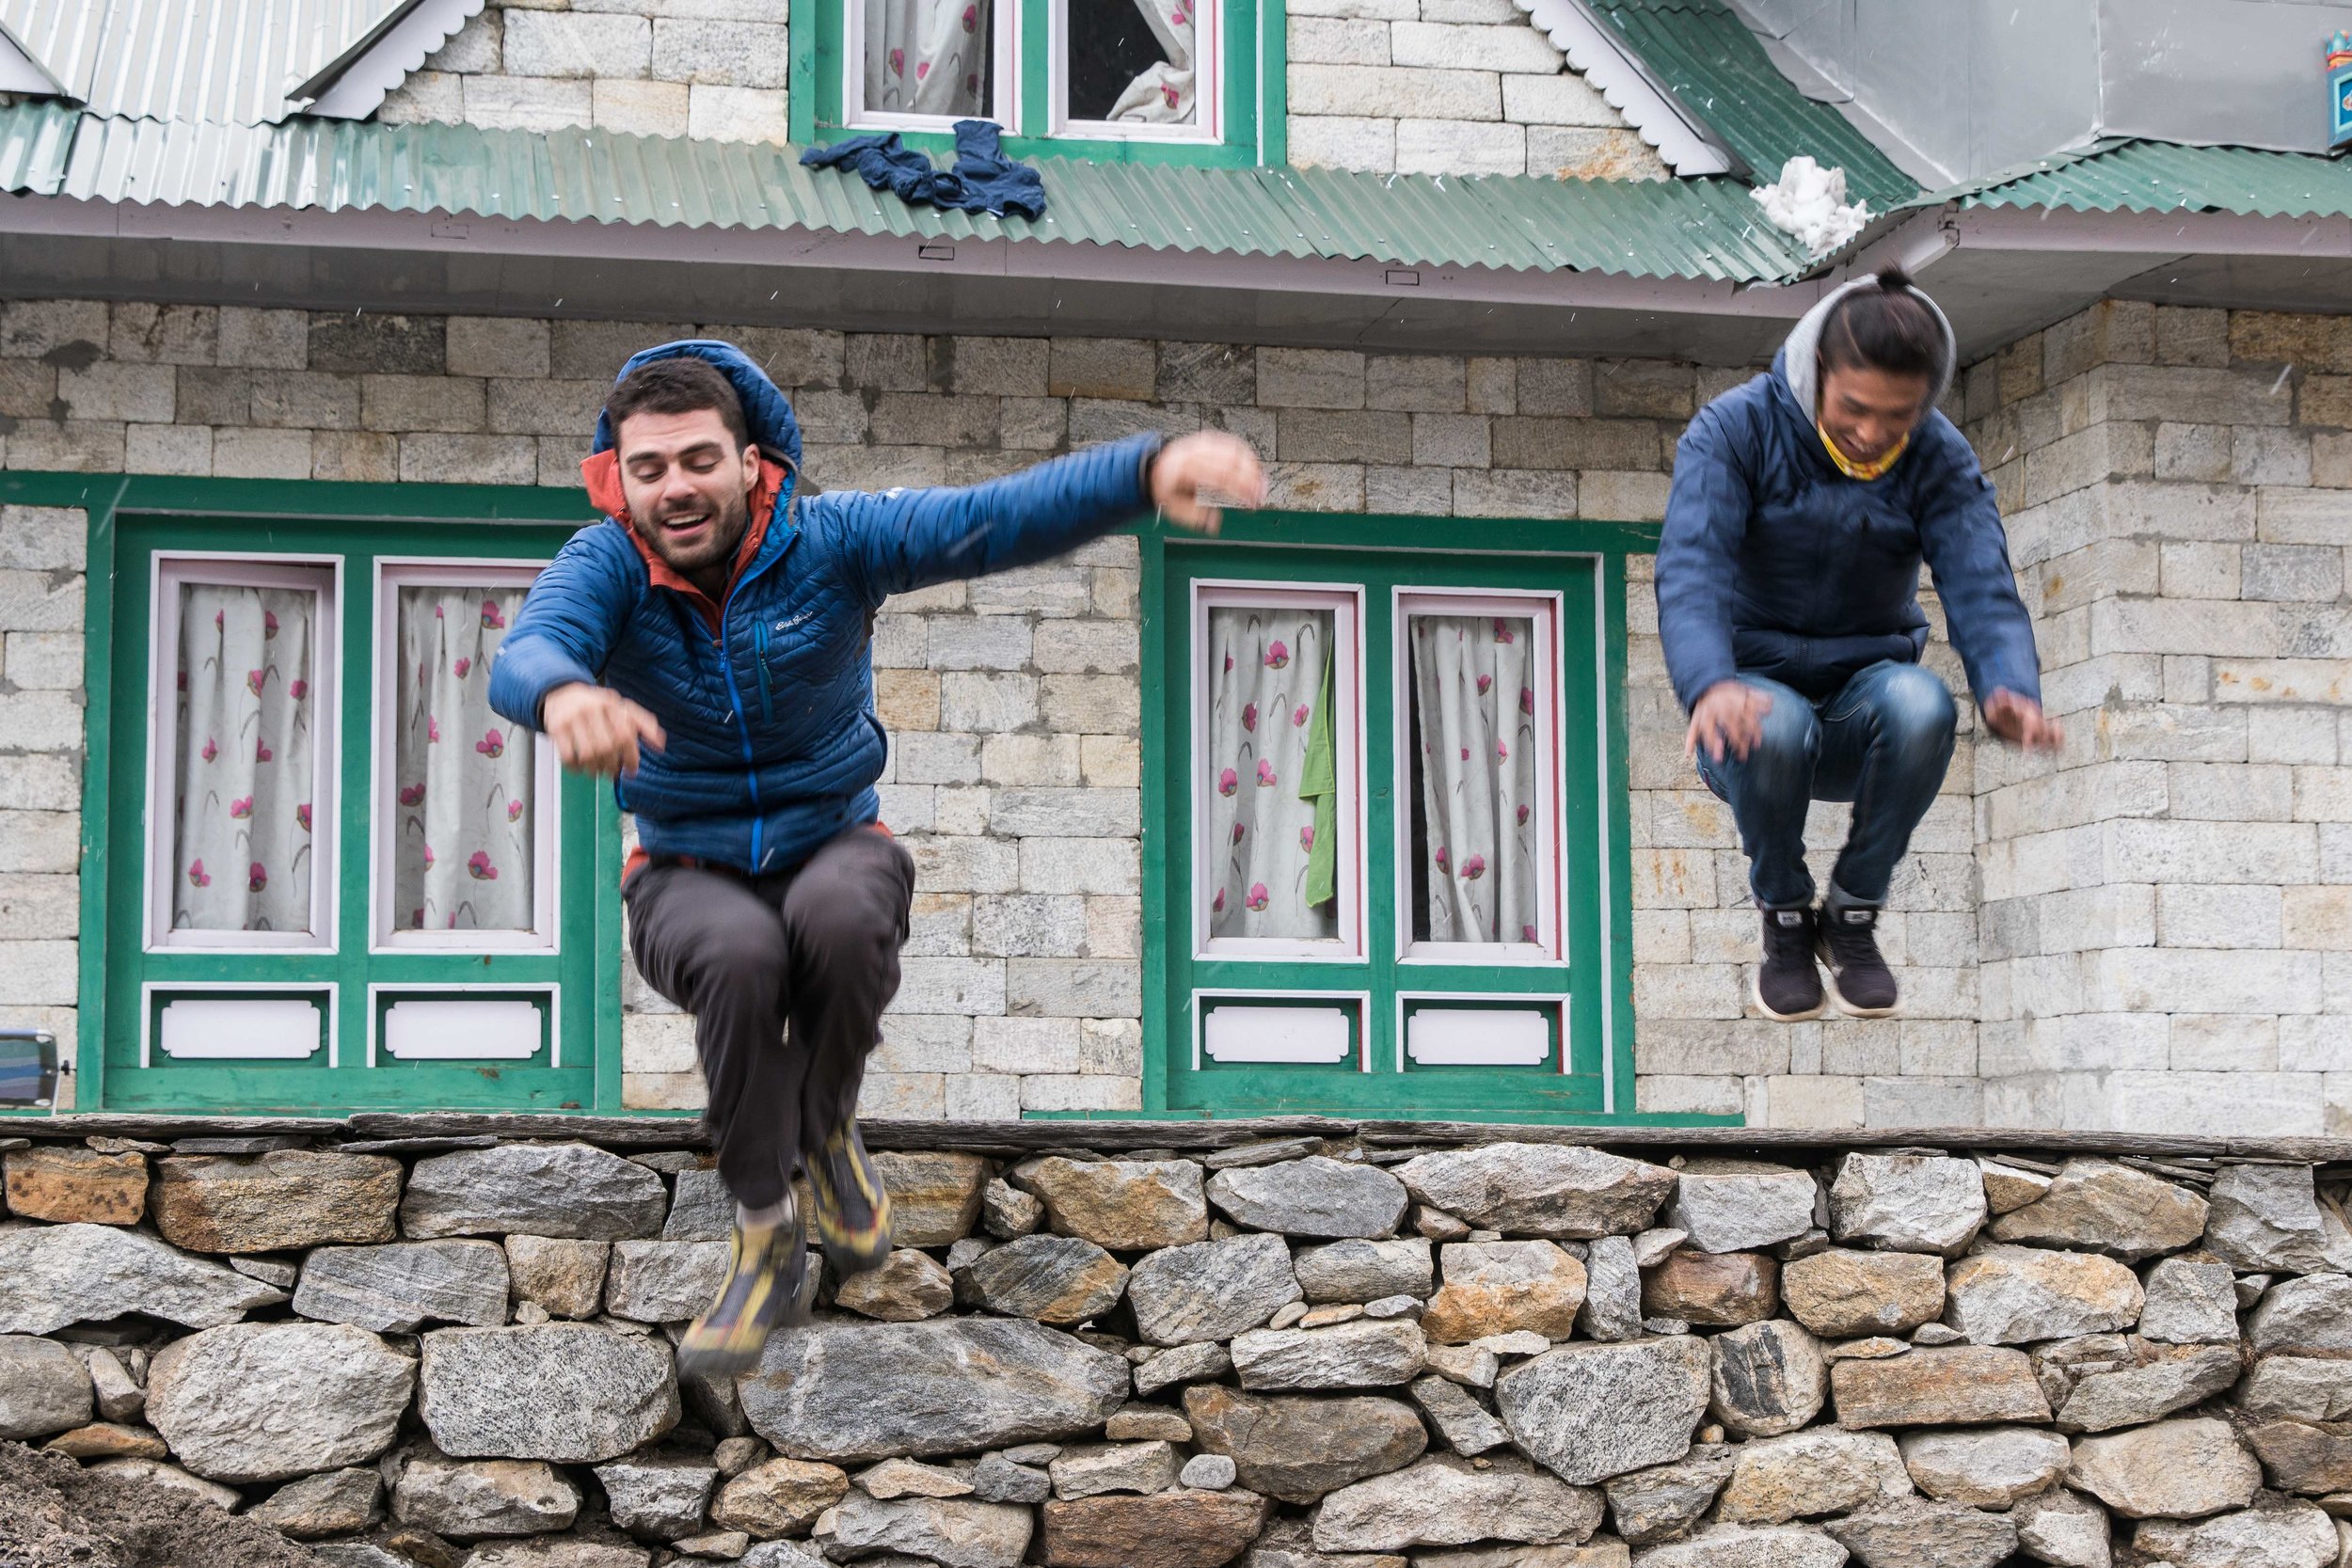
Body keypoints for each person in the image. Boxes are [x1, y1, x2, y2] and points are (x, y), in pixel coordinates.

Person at [489, 341, 1263, 1372]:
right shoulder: (606, 565)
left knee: (842, 916)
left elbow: (988, 520)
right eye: (649, 468)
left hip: (832, 838)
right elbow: (526, 647)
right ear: (618, 479)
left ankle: (823, 1128)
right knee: (739, 956)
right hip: (685, 868)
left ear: (751, 461)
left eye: (697, 459)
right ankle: (765, 1225)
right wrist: (562, 694)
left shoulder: (832, 541)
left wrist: (1138, 471)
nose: (675, 487)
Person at [1656, 266, 2059, 1023]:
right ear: (1816, 374)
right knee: (1774, 722)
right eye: (1854, 408)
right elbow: (1692, 563)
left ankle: (1852, 914)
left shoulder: (1937, 457)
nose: (1873, 435)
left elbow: (1979, 576)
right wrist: (1709, 682)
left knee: (1922, 702)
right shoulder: (1735, 430)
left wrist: (2010, 686)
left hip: (1858, 712)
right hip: (1747, 717)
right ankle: (1784, 916)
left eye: (1898, 416)